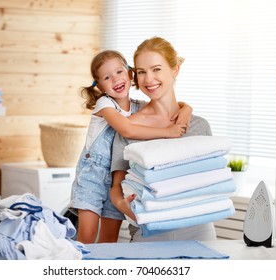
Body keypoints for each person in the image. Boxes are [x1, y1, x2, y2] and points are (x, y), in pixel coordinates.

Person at [69, 50, 193, 244]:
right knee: (87, 235)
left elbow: (166, 104)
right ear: (100, 86)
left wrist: (187, 108)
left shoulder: (138, 106)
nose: (115, 79)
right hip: (92, 176)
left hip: (118, 177)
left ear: (129, 73)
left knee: (110, 238)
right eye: (107, 77)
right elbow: (126, 129)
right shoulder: (104, 104)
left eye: (119, 72)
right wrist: (168, 131)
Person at [110, 37, 217, 242]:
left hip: (198, 229)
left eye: (156, 69)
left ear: (175, 70)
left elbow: (208, 181)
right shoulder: (129, 128)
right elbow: (116, 186)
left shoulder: (199, 126)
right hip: (148, 229)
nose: (149, 79)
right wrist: (122, 205)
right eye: (141, 72)